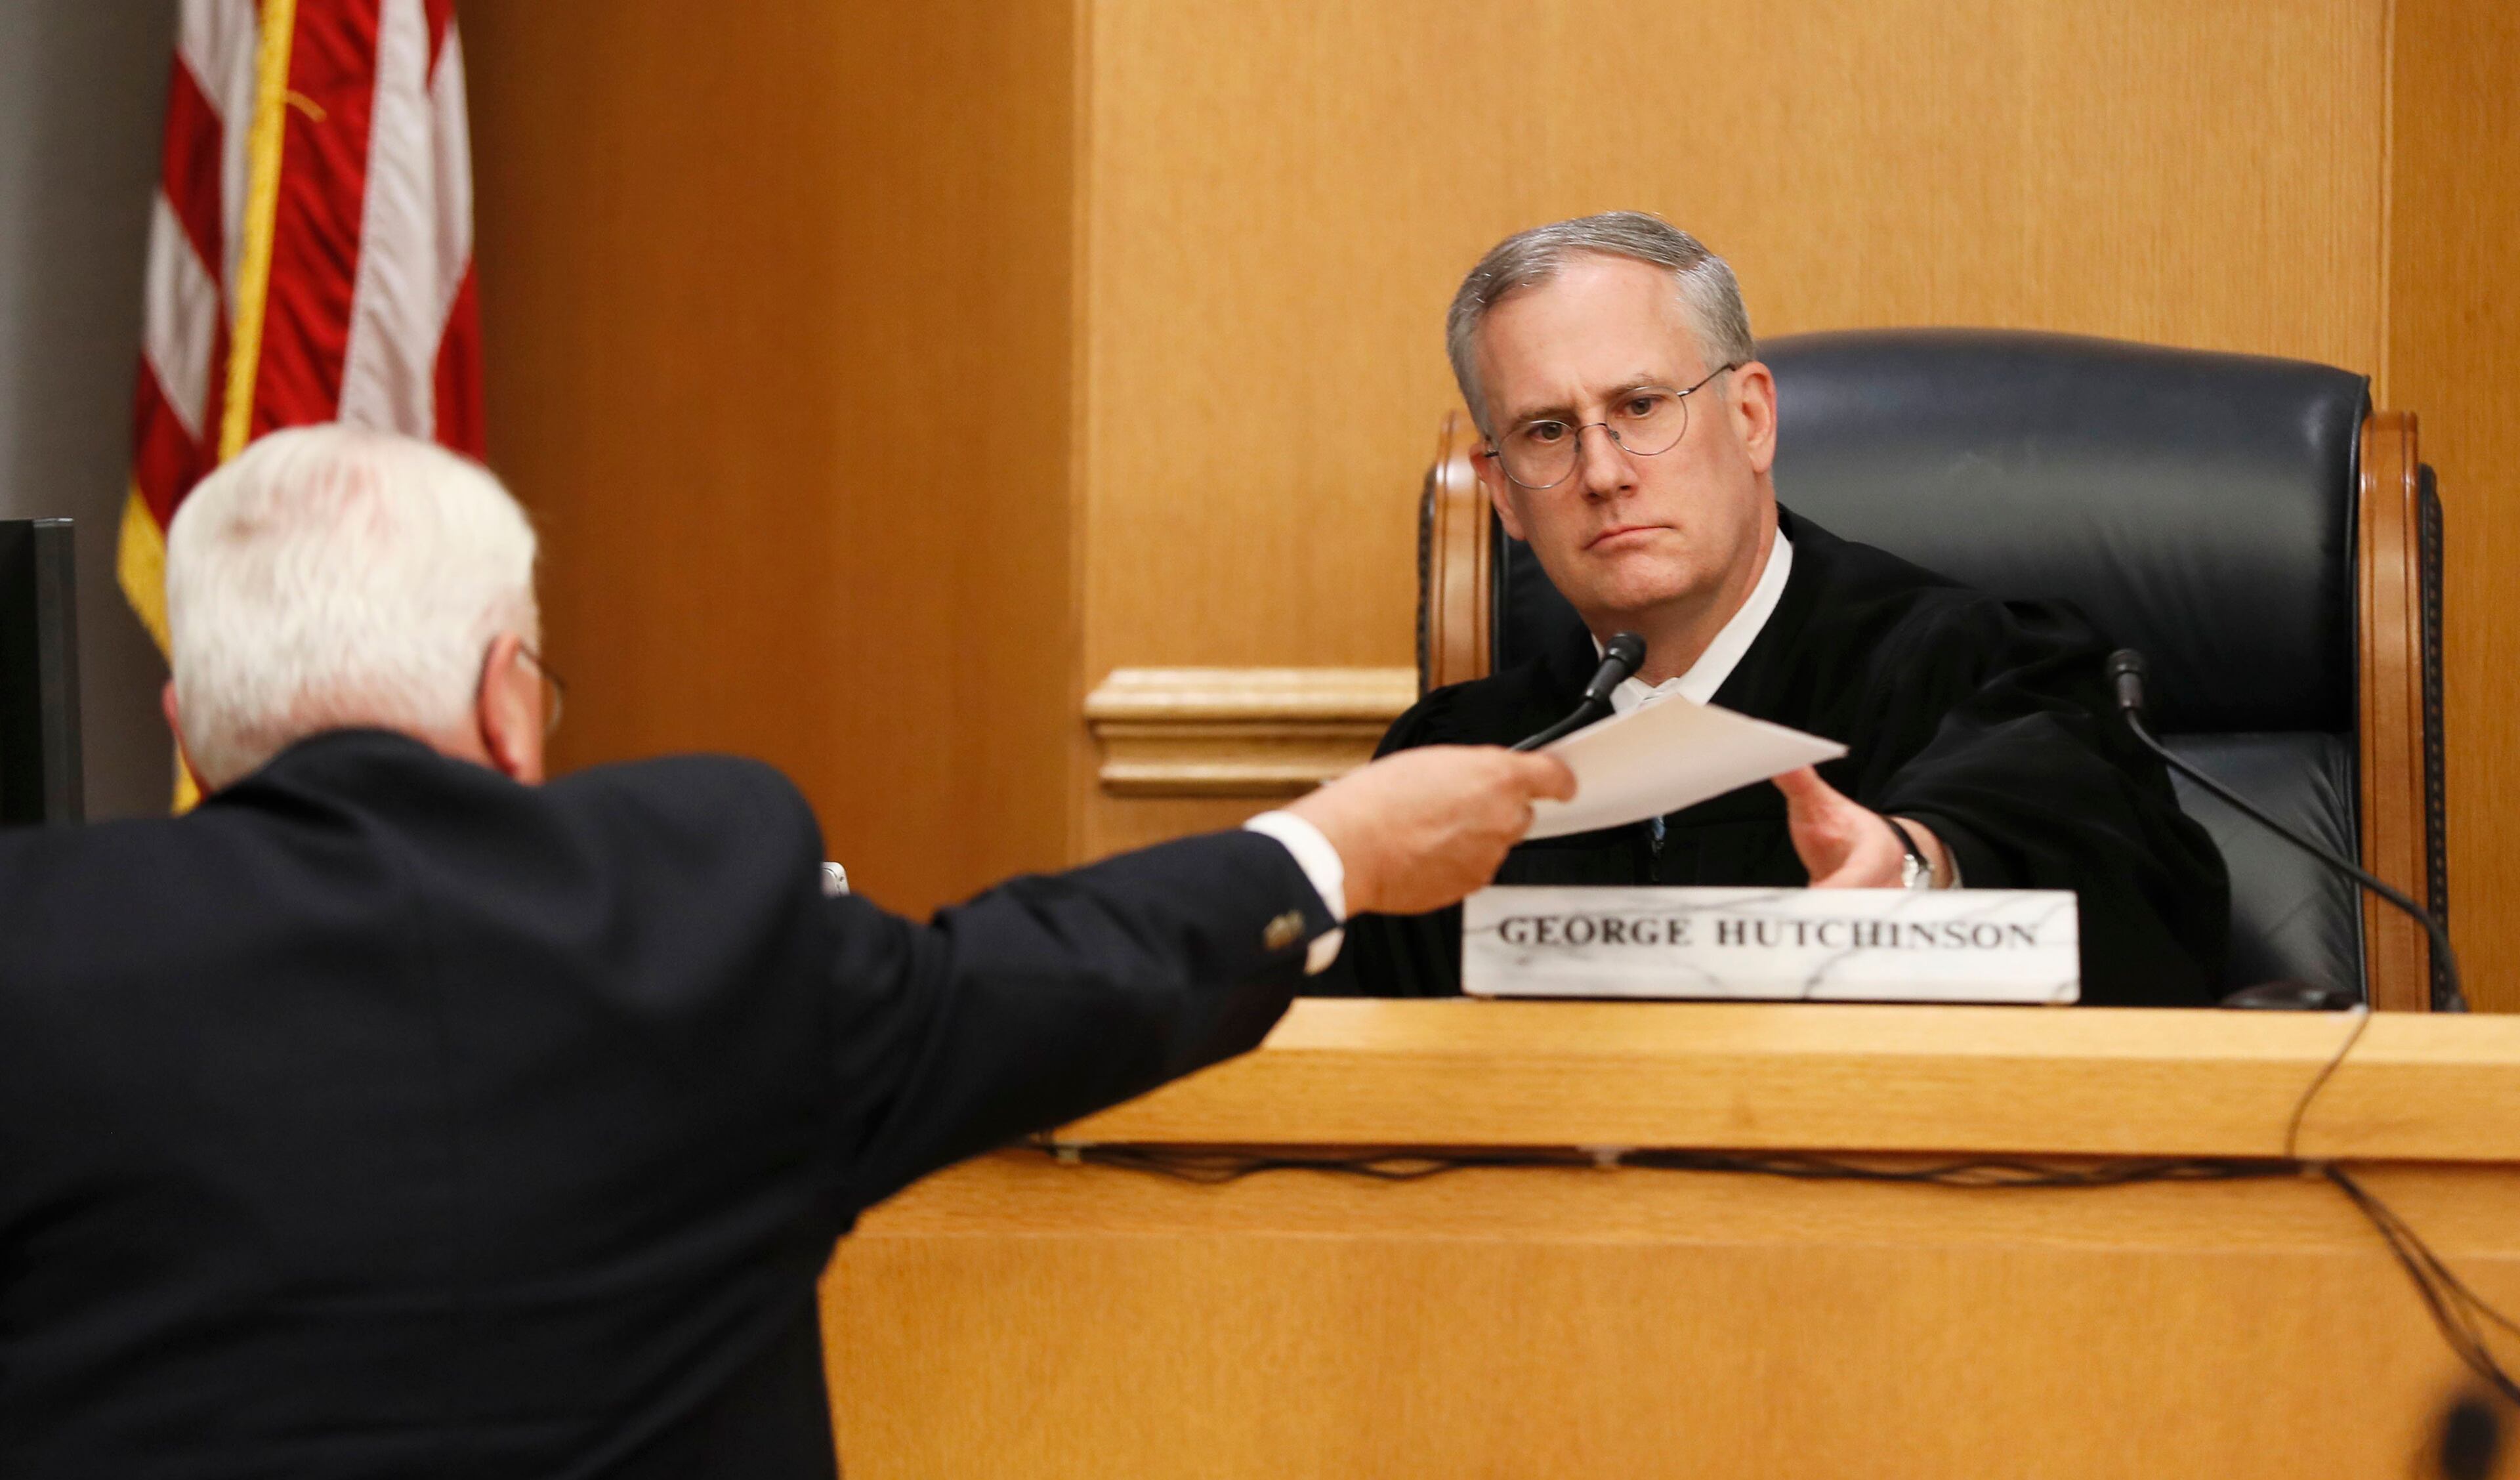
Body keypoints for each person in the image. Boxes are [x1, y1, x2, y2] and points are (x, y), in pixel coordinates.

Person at [0, 425, 1572, 1478]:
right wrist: (1341, 845)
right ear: (504, 697)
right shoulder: (701, 911)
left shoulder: (36, 949)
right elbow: (1053, 974)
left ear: (188, 733)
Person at [1326, 212, 2228, 1005]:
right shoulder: (1458, 762)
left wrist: (1916, 872)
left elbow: (2143, 918)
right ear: (1506, 495)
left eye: (1642, 407)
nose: (1602, 474)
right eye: (1548, 431)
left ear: (1752, 417)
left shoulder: (1979, 665)